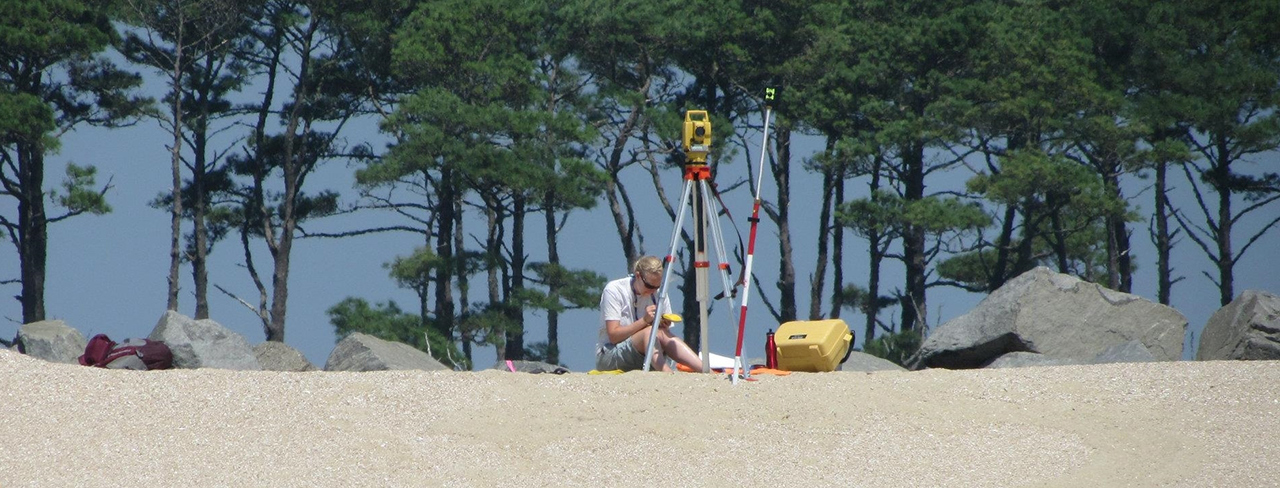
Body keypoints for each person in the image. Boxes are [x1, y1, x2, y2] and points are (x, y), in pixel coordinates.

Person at [596, 256, 705, 372]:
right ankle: (667, 373)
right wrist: (644, 321)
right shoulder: (615, 290)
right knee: (650, 332)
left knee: (662, 333)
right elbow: (614, 336)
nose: (653, 290)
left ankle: (705, 370)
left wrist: (663, 324)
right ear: (638, 276)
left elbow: (663, 336)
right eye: (649, 286)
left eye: (657, 286)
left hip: (647, 354)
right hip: (610, 354)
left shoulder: (660, 294)